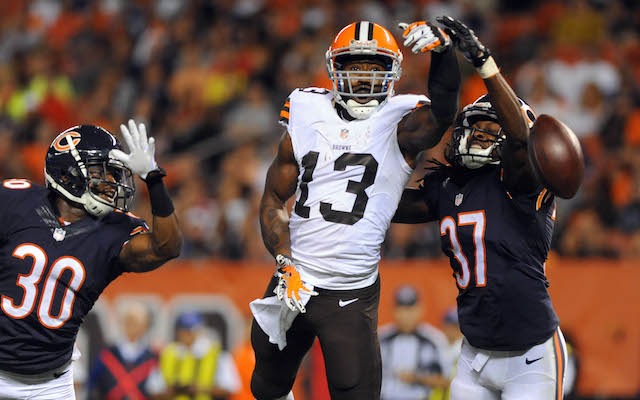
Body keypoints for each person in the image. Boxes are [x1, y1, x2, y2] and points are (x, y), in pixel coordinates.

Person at [250, 20, 461, 400]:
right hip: (294, 277)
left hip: (349, 292)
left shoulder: (400, 121)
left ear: (392, 73)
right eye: (354, 66)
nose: (363, 78)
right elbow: (272, 201)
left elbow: (444, 111)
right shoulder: (306, 109)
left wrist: (443, 53)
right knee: (266, 383)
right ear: (335, 68)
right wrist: (285, 262)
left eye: (374, 68)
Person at [393, 16, 568, 399]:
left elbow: (522, 140)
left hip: (531, 355)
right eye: (475, 129)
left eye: (491, 132)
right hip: (473, 357)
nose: (478, 137)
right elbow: (390, 208)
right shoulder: (451, 185)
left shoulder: (520, 184)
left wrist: (483, 62)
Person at [0, 121, 182, 399]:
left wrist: (154, 179)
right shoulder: (16, 202)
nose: (111, 183)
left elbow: (167, 246)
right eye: (101, 172)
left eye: (113, 173)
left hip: (49, 384)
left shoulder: (114, 230)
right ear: (68, 172)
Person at [379, 284, 449, 400]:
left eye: (410, 310)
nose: (406, 316)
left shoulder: (434, 339)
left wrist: (417, 378)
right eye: (401, 310)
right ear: (393, 311)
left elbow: (446, 381)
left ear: (420, 309)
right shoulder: (381, 338)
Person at [155, 311, 241, 399]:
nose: (186, 334)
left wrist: (201, 389)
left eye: (190, 330)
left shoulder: (217, 353)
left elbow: (230, 388)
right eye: (184, 330)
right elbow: (154, 390)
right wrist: (173, 390)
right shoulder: (168, 353)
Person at [87, 301, 160, 400]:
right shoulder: (107, 354)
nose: (131, 325)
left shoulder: (151, 358)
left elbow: (156, 390)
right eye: (128, 320)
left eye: (135, 322)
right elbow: (93, 386)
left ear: (145, 326)